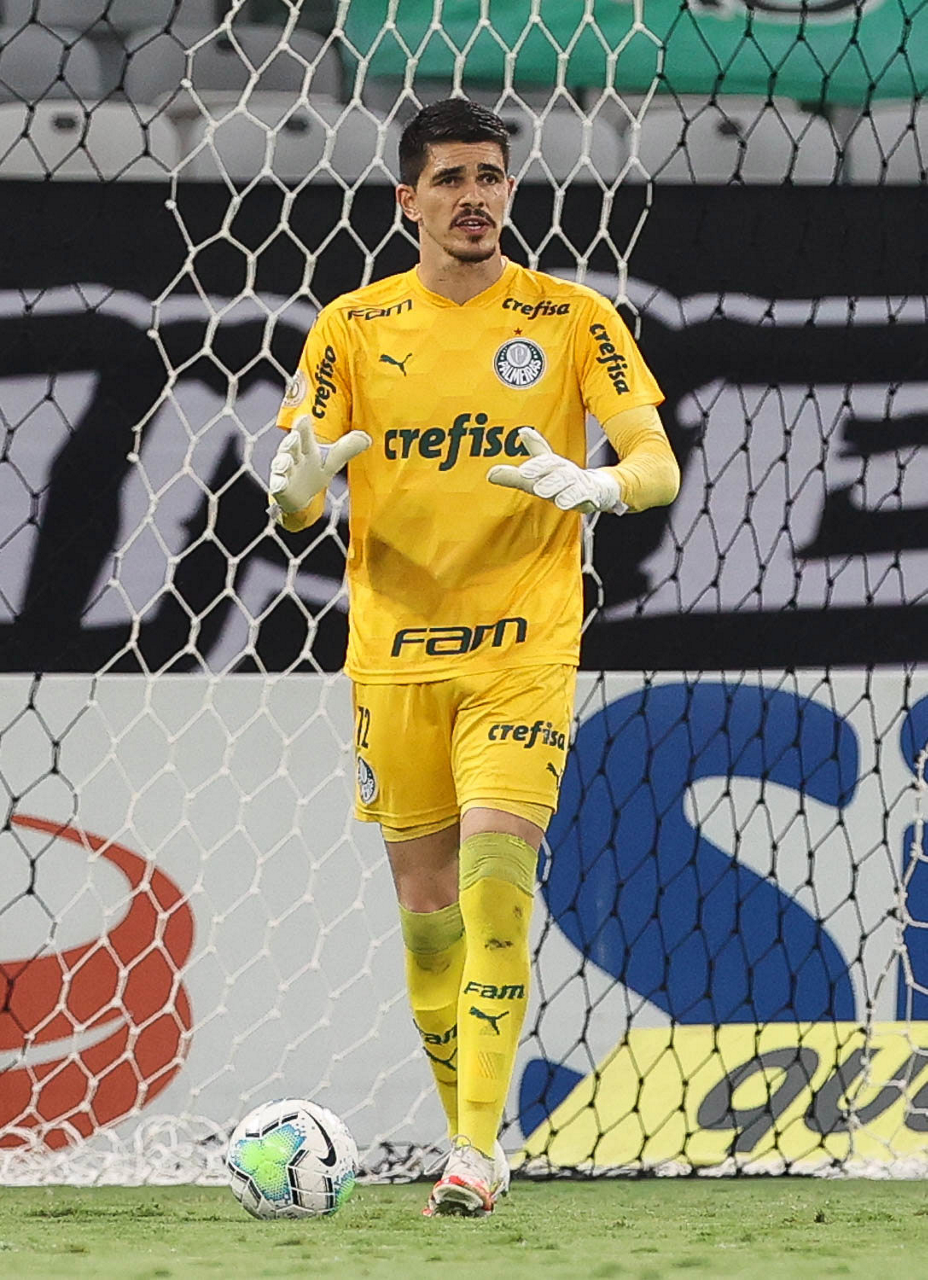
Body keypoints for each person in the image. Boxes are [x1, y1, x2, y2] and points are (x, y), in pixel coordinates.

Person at [269, 98, 680, 1217]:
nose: (473, 197)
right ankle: (473, 1138)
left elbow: (655, 462)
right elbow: (298, 485)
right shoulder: (351, 326)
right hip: (393, 655)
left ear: (509, 190)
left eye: (489, 176)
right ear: (408, 199)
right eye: (449, 179)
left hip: (522, 648)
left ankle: (473, 1148)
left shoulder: (571, 317)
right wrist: (296, 493)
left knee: (498, 888)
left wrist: (600, 483)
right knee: (428, 920)